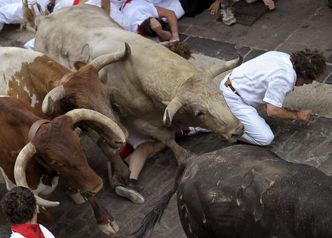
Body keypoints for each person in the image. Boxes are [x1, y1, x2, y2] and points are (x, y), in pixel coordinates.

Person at [219, 49, 326, 146]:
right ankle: (223, 128)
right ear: (303, 74)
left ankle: (221, 118)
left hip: (230, 84)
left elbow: (264, 78)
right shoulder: (284, 78)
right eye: (309, 79)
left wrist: (267, 103)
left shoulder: (282, 56)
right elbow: (272, 111)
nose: (310, 83)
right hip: (234, 99)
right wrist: (297, 115)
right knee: (265, 138)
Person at [114, 126, 209, 204]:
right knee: (147, 146)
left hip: (171, 129)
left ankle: (130, 182)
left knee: (147, 147)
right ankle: (128, 179)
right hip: (162, 123)